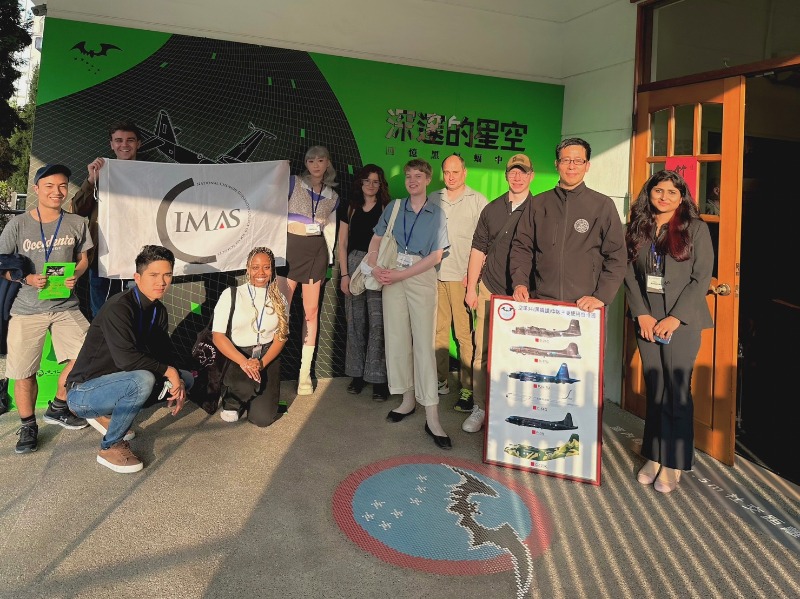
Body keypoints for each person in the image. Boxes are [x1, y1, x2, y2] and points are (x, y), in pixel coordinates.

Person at [66, 245, 193, 473]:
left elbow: (164, 354)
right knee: (142, 380)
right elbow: (126, 360)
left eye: (167, 275)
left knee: (185, 379)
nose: (161, 282)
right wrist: (169, 372)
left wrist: (177, 380)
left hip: (116, 383)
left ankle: (109, 415)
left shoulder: (158, 310)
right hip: (83, 393)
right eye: (154, 275)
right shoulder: (119, 307)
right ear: (137, 277)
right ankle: (110, 446)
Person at [624, 170, 714, 493]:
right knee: (656, 388)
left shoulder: (696, 229)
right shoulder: (639, 226)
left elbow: (701, 278)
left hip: (681, 321)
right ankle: (654, 453)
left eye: (671, 192)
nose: (664, 197)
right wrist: (642, 315)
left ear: (682, 197)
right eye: (658, 191)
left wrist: (675, 318)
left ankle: (674, 461)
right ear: (649, 194)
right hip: (648, 318)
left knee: (676, 391)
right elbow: (628, 274)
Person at [0, 164, 92, 454]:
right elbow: (2, 265)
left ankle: (58, 405)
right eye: (50, 186)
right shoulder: (18, 225)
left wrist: (76, 275)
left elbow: (84, 258)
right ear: (37, 189)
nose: (57, 191)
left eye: (63, 185)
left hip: (66, 306)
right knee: (23, 373)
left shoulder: (78, 222)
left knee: (89, 354)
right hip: (27, 308)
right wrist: (26, 278)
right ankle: (28, 425)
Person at [367, 159, 450, 449]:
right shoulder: (394, 207)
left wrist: (402, 273)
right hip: (391, 274)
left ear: (428, 180)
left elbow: (437, 255)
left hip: (418, 275)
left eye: (419, 176)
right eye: (409, 176)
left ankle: (433, 415)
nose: (413, 180)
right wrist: (374, 264)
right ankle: (407, 400)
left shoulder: (437, 213)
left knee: (423, 346)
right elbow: (377, 238)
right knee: (397, 339)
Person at [510, 137, 627, 313]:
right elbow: (521, 247)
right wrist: (519, 282)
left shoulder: (602, 205)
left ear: (587, 165)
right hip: (542, 303)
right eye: (565, 160)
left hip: (586, 305)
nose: (571, 166)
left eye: (578, 161)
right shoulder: (538, 204)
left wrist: (601, 296)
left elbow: (617, 256)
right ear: (556, 164)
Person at [462, 154, 535, 433]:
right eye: (512, 172)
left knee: (520, 354)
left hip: (524, 295)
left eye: (523, 172)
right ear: (506, 175)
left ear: (531, 176)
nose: (517, 177)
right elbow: (478, 249)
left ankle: (513, 411)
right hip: (490, 289)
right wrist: (471, 288)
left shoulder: (539, 209)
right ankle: (481, 406)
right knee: (483, 351)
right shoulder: (491, 209)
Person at [277, 146, 339, 396]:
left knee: (311, 313)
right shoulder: (292, 183)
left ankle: (304, 374)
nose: (315, 164)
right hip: (290, 250)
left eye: (320, 160)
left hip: (316, 254)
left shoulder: (333, 196)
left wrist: (330, 260)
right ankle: (273, 370)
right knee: (282, 310)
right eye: (310, 160)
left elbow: (331, 231)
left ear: (327, 164)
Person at [429, 154, 487, 412]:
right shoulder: (433, 198)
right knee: (438, 332)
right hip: (434, 275)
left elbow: (486, 244)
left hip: (462, 277)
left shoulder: (478, 201)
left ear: (464, 173)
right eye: (446, 172)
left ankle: (467, 388)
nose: (451, 176)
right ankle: (440, 380)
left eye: (456, 172)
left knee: (464, 335)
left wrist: (474, 277)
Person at [71, 121, 142, 316]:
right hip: (102, 257)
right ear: (111, 144)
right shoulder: (101, 173)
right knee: (102, 315)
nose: (124, 145)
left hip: (138, 256)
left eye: (130, 140)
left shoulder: (152, 175)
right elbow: (77, 209)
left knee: (135, 315)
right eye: (118, 140)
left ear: (139, 144)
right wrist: (92, 179)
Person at [211, 247, 288, 425]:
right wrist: (245, 362)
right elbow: (218, 336)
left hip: (266, 357)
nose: (261, 272)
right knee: (244, 386)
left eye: (266, 267)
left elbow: (281, 337)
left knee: (263, 419)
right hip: (237, 356)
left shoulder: (280, 299)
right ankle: (232, 401)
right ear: (247, 269)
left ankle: (253, 396)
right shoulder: (232, 294)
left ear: (272, 270)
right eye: (255, 267)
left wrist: (261, 363)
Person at [337, 165, 390, 400]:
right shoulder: (349, 208)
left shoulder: (388, 208)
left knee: (378, 323)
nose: (371, 185)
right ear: (359, 183)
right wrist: (344, 275)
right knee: (355, 322)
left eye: (376, 182)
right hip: (354, 263)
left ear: (381, 185)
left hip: (378, 265)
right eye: (367, 181)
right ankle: (357, 375)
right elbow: (342, 243)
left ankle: (378, 378)